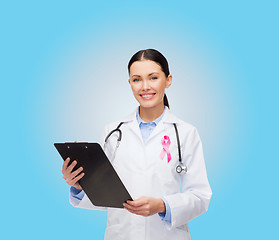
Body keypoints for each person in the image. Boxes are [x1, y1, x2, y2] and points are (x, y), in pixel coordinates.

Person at [62, 49, 212, 240]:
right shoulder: (112, 132)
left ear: (168, 80)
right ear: (130, 83)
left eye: (153, 78)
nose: (145, 86)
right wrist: (79, 186)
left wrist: (162, 205)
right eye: (137, 79)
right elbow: (104, 195)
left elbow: (200, 196)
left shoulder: (186, 133)